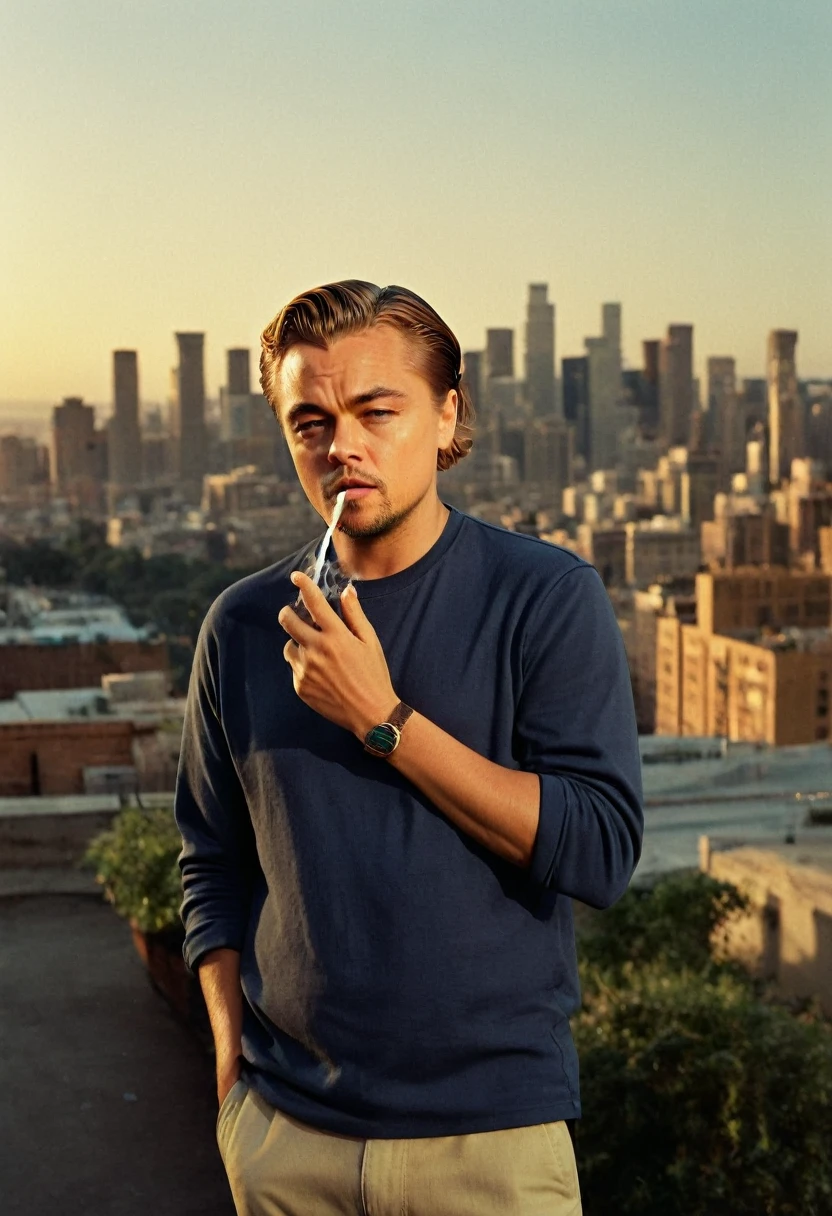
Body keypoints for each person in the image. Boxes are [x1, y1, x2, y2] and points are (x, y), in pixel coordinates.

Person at [174, 280, 644, 1216]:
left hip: (490, 1149)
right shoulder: (239, 627)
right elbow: (211, 862)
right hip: (287, 1143)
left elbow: (599, 849)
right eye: (310, 420)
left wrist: (383, 719)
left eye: (374, 410)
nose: (341, 443)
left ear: (447, 416)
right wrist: (231, 1064)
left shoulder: (544, 597)